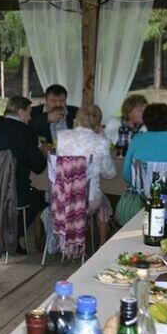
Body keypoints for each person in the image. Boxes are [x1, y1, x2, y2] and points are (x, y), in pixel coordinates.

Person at [0, 95, 47, 251]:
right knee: (39, 199)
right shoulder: (26, 132)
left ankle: (1, 234)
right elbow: (38, 167)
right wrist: (42, 152)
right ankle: (10, 237)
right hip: (14, 193)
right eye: (29, 113)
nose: (30, 118)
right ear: (21, 112)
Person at [56, 105, 116, 245]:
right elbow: (109, 174)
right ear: (98, 122)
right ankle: (102, 243)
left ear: (77, 118)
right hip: (87, 201)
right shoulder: (101, 142)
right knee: (104, 202)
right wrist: (102, 135)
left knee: (98, 197)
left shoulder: (62, 137)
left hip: (62, 198)